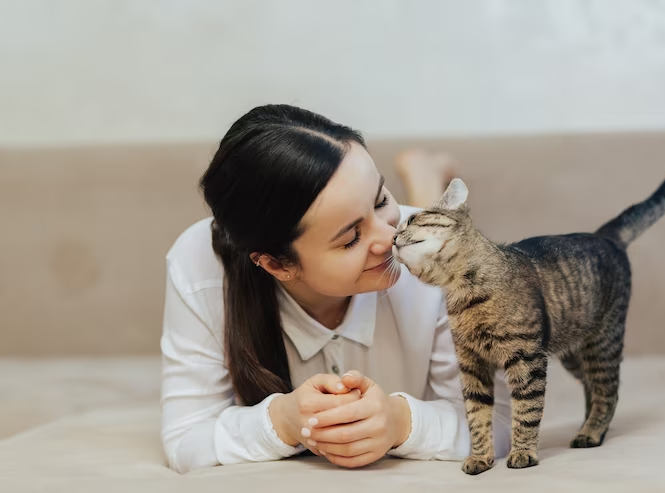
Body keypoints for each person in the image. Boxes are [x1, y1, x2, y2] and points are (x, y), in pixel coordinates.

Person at [160, 104, 512, 474]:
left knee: (429, 238)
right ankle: (422, 179)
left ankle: (425, 180)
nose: (390, 237)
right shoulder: (201, 264)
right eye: (350, 239)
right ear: (276, 264)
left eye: (380, 200)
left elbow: (500, 425)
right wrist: (282, 421)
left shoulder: (442, 265)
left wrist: (401, 422)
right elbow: (185, 440)